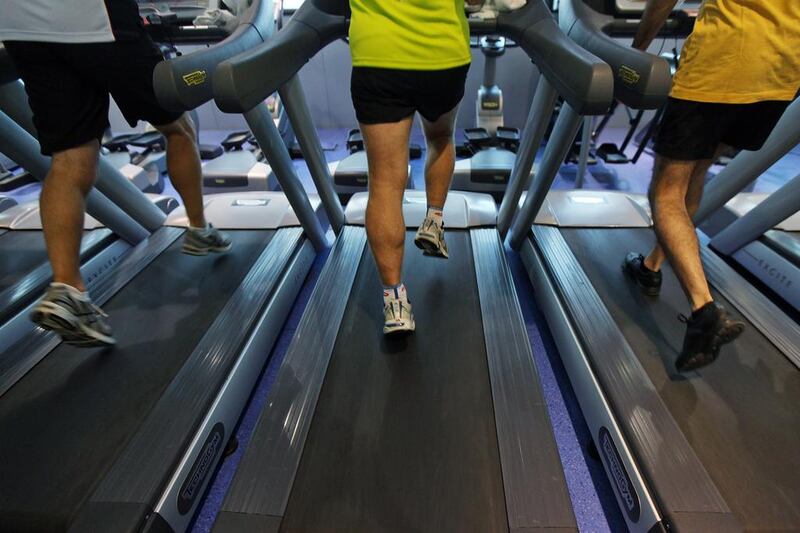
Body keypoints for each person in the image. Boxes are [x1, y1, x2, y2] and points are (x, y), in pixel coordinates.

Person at [1, 0, 232, 347]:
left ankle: (66, 289)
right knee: (178, 127)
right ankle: (199, 229)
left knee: (70, 158)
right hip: (97, 18)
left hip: (23, 27)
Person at [624, 0, 800, 371]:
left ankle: (705, 312)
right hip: (781, 73)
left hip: (720, 65)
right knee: (698, 168)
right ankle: (652, 266)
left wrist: (635, 51)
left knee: (666, 191)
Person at [350, 0, 483, 334]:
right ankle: (434, 222)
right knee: (440, 136)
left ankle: (395, 305)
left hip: (378, 53)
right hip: (443, 55)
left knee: (384, 181)